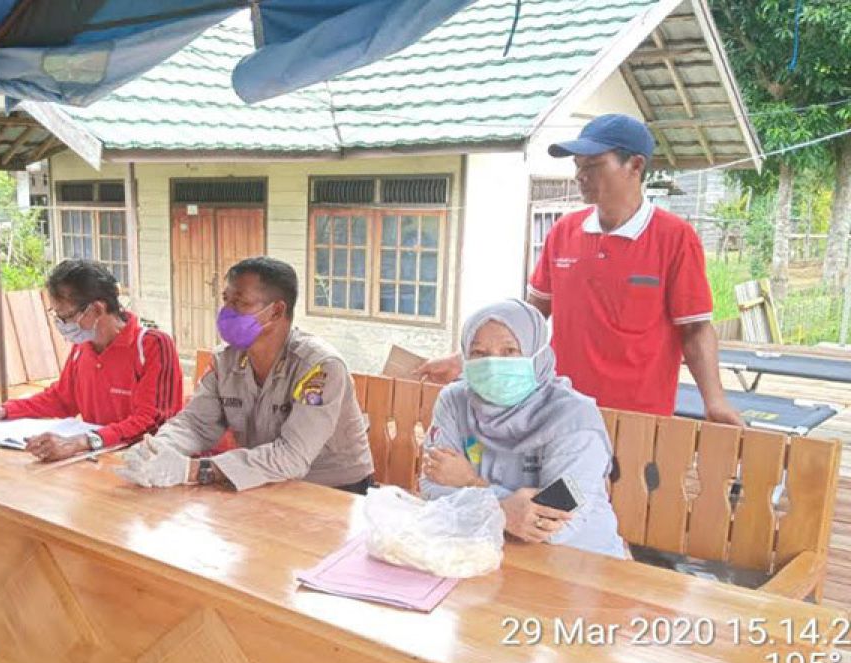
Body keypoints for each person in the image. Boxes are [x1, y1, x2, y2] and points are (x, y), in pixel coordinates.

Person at [415, 114, 740, 425]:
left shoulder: (675, 238)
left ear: (636, 165)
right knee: (552, 485)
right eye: (578, 166)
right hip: (560, 409)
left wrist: (715, 402)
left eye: (594, 165)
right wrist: (466, 361)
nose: (580, 175)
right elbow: (527, 319)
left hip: (639, 419)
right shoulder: (564, 231)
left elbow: (695, 331)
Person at [116, 256, 373, 492]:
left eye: (240, 302)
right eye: (226, 299)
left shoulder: (319, 367)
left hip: (332, 489)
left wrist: (194, 470)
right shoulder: (226, 360)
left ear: (276, 311)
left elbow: (292, 457)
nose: (227, 311)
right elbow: (195, 424)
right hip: (262, 481)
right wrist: (159, 449)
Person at [421, 300, 628, 559]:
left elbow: (555, 526)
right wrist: (506, 511)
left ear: (538, 354)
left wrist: (473, 483)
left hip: (581, 562)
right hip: (484, 553)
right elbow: (432, 489)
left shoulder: (574, 418)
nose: (494, 364)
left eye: (509, 351)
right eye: (479, 353)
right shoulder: (454, 401)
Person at [0, 259, 183, 461]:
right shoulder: (83, 347)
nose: (62, 325)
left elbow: (153, 422)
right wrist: (4, 410)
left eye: (67, 317)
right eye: (57, 317)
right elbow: (61, 399)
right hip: (93, 461)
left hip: (145, 465)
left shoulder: (151, 345)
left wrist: (83, 442)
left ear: (97, 309)